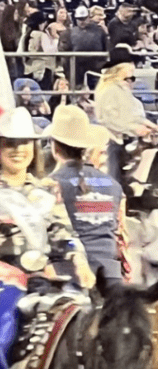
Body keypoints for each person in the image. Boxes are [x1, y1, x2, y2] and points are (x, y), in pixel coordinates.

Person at [0, 108, 93, 369]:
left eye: (25, 143)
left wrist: (79, 260)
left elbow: (64, 234)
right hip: (0, 275)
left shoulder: (48, 190)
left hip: (49, 275)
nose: (18, 150)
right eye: (10, 143)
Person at [45, 105, 124, 282]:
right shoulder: (113, 185)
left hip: (70, 274)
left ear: (54, 147)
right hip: (110, 274)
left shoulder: (51, 185)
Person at [94, 46, 158, 176]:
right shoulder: (109, 89)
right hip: (111, 140)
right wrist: (134, 128)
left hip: (122, 138)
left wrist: (151, 126)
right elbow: (109, 120)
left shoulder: (121, 88)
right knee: (113, 177)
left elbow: (132, 115)